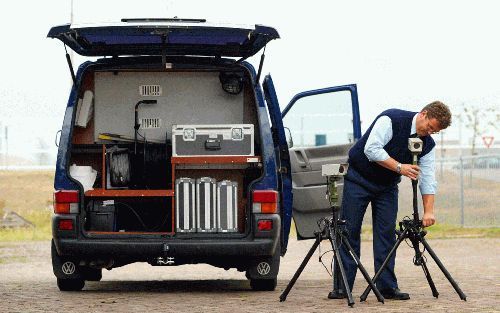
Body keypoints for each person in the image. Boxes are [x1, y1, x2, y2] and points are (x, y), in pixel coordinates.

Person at [333, 101, 452, 300]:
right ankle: (342, 287)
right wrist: (400, 167)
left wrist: (429, 211)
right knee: (349, 231)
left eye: (435, 131)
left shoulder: (428, 144)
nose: (429, 133)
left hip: (386, 187)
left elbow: (428, 178)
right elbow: (371, 149)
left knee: (386, 234)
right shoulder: (391, 119)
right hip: (358, 180)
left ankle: (387, 287)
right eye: (430, 127)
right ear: (423, 114)